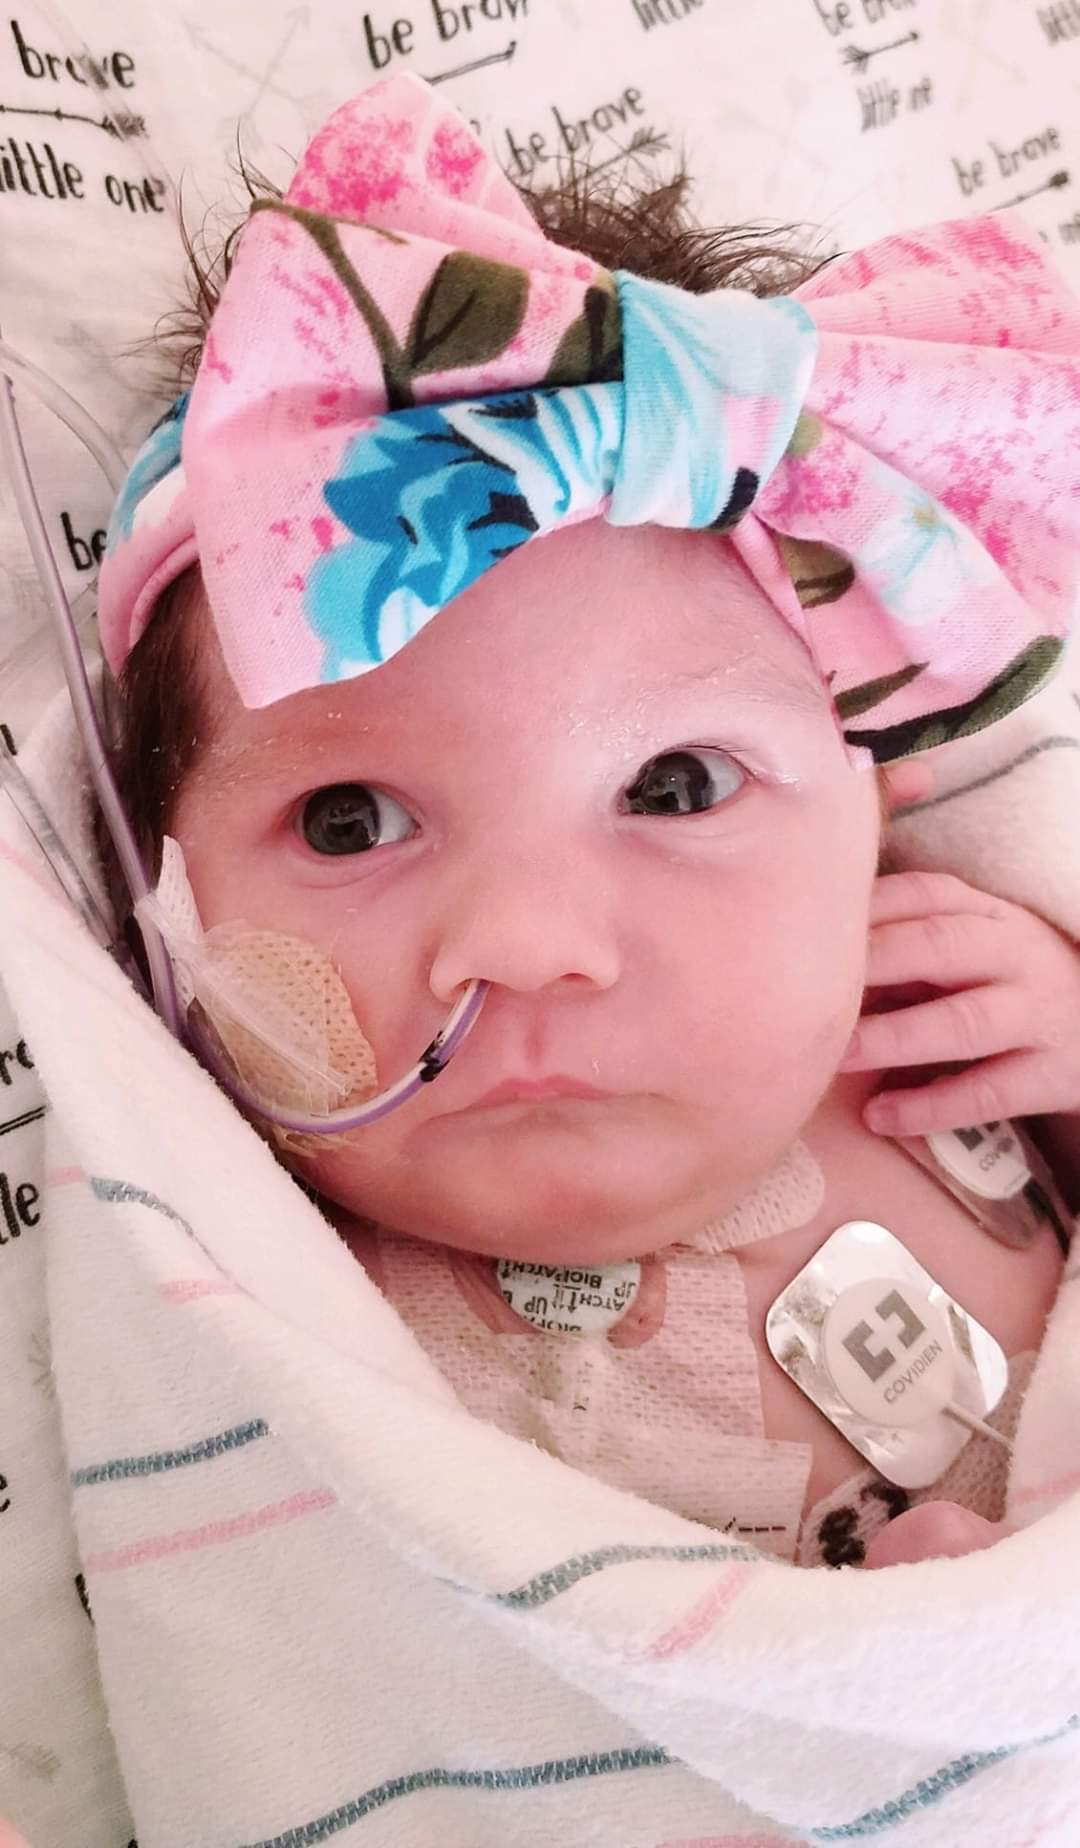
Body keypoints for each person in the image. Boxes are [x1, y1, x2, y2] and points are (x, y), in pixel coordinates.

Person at [6, 69, 1080, 1847]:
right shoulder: (305, 1330)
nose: (529, 941)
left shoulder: (954, 1016)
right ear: (167, 907)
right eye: (350, 819)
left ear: (878, 792)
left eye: (677, 787)